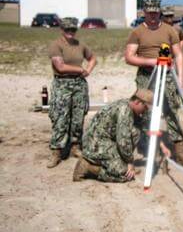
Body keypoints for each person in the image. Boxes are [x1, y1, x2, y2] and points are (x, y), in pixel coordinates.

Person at [124, 0, 183, 166]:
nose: (153, 16)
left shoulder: (170, 30)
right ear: (144, 13)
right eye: (150, 13)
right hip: (146, 76)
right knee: (145, 112)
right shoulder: (137, 32)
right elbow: (129, 57)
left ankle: (179, 149)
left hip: (168, 76)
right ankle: (149, 147)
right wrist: (152, 62)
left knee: (171, 110)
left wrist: (181, 78)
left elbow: (178, 55)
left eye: (156, 12)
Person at [73, 89, 172, 182]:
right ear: (137, 102)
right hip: (95, 143)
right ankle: (88, 167)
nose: (145, 111)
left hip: (104, 140)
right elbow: (123, 141)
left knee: (136, 130)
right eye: (145, 107)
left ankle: (116, 163)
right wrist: (130, 162)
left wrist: (162, 147)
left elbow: (147, 128)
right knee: (125, 175)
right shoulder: (124, 110)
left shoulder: (129, 106)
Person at [46, 17, 97, 168]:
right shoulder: (56, 45)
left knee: (78, 117)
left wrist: (88, 69)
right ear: (62, 30)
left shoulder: (81, 45)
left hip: (79, 85)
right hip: (62, 84)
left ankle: (75, 146)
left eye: (73, 29)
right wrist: (80, 69)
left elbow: (93, 58)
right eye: (67, 29)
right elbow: (60, 67)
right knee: (60, 118)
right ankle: (57, 151)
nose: (70, 32)